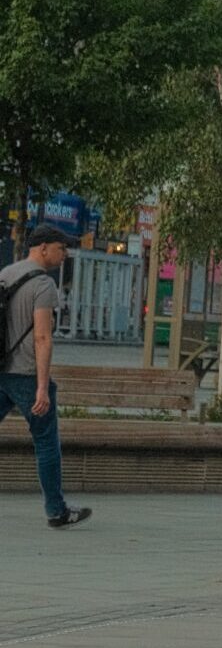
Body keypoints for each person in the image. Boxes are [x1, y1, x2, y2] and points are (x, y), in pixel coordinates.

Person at [0, 224, 92, 529]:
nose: (64, 254)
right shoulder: (43, 285)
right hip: (26, 375)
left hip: (0, 370)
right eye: (60, 248)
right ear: (43, 248)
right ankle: (56, 511)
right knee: (46, 442)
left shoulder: (5, 274)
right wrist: (42, 387)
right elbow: (42, 337)